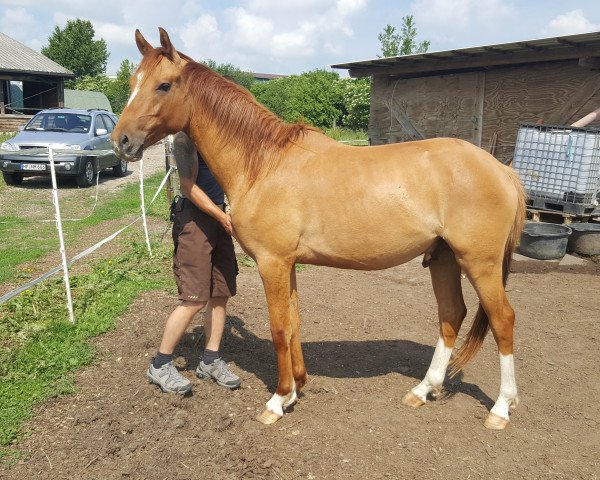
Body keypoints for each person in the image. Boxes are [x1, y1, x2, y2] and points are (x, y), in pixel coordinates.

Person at [147, 131, 241, 393]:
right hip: (195, 221)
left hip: (219, 218)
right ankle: (160, 364)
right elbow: (188, 186)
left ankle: (210, 360)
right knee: (195, 299)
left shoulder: (217, 138)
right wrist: (222, 217)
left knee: (220, 294)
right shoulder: (185, 140)